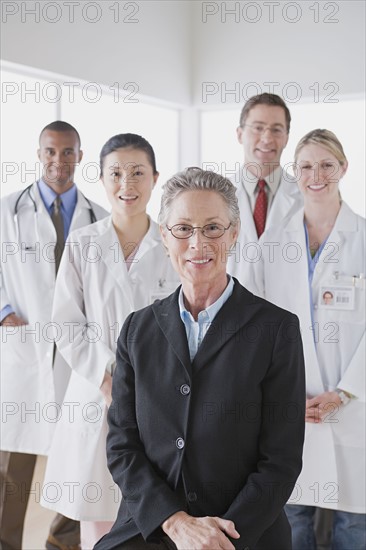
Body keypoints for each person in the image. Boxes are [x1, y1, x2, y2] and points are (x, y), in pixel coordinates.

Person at [94, 167, 306, 550]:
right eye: (183, 228)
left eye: (212, 228)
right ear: (164, 235)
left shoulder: (277, 330)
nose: (197, 243)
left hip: (242, 531)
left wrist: (219, 538)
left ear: (234, 233)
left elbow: (282, 461)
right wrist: (175, 523)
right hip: (153, 526)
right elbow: (122, 446)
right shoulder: (137, 330)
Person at [41, 133, 180, 549]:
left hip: (158, 397)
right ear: (101, 179)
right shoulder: (84, 244)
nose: (127, 183)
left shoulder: (174, 243)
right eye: (116, 173)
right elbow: (66, 323)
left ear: (155, 178)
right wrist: (107, 377)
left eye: (137, 172)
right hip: (95, 394)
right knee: (98, 517)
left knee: (152, 514)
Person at [253, 129, 366, 549]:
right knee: (292, 519)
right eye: (305, 166)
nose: (315, 175)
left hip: (354, 407)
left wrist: (347, 391)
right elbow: (257, 324)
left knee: (354, 526)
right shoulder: (273, 243)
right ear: (294, 173)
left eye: (326, 165)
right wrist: (280, 394)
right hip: (291, 405)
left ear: (343, 168)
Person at [0, 121, 108, 550]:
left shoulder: (97, 218)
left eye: (67, 153)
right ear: (39, 153)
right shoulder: (7, 211)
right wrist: (4, 311)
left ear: (80, 157)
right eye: (50, 152)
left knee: (78, 456)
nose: (58, 162)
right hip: (24, 352)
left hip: (76, 355)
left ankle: (62, 543)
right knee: (12, 464)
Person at [227, 93, 302, 289]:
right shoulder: (217, 196)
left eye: (276, 130)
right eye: (258, 128)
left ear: (286, 138)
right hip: (231, 313)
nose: (267, 138)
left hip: (288, 312)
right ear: (239, 134)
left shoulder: (305, 197)